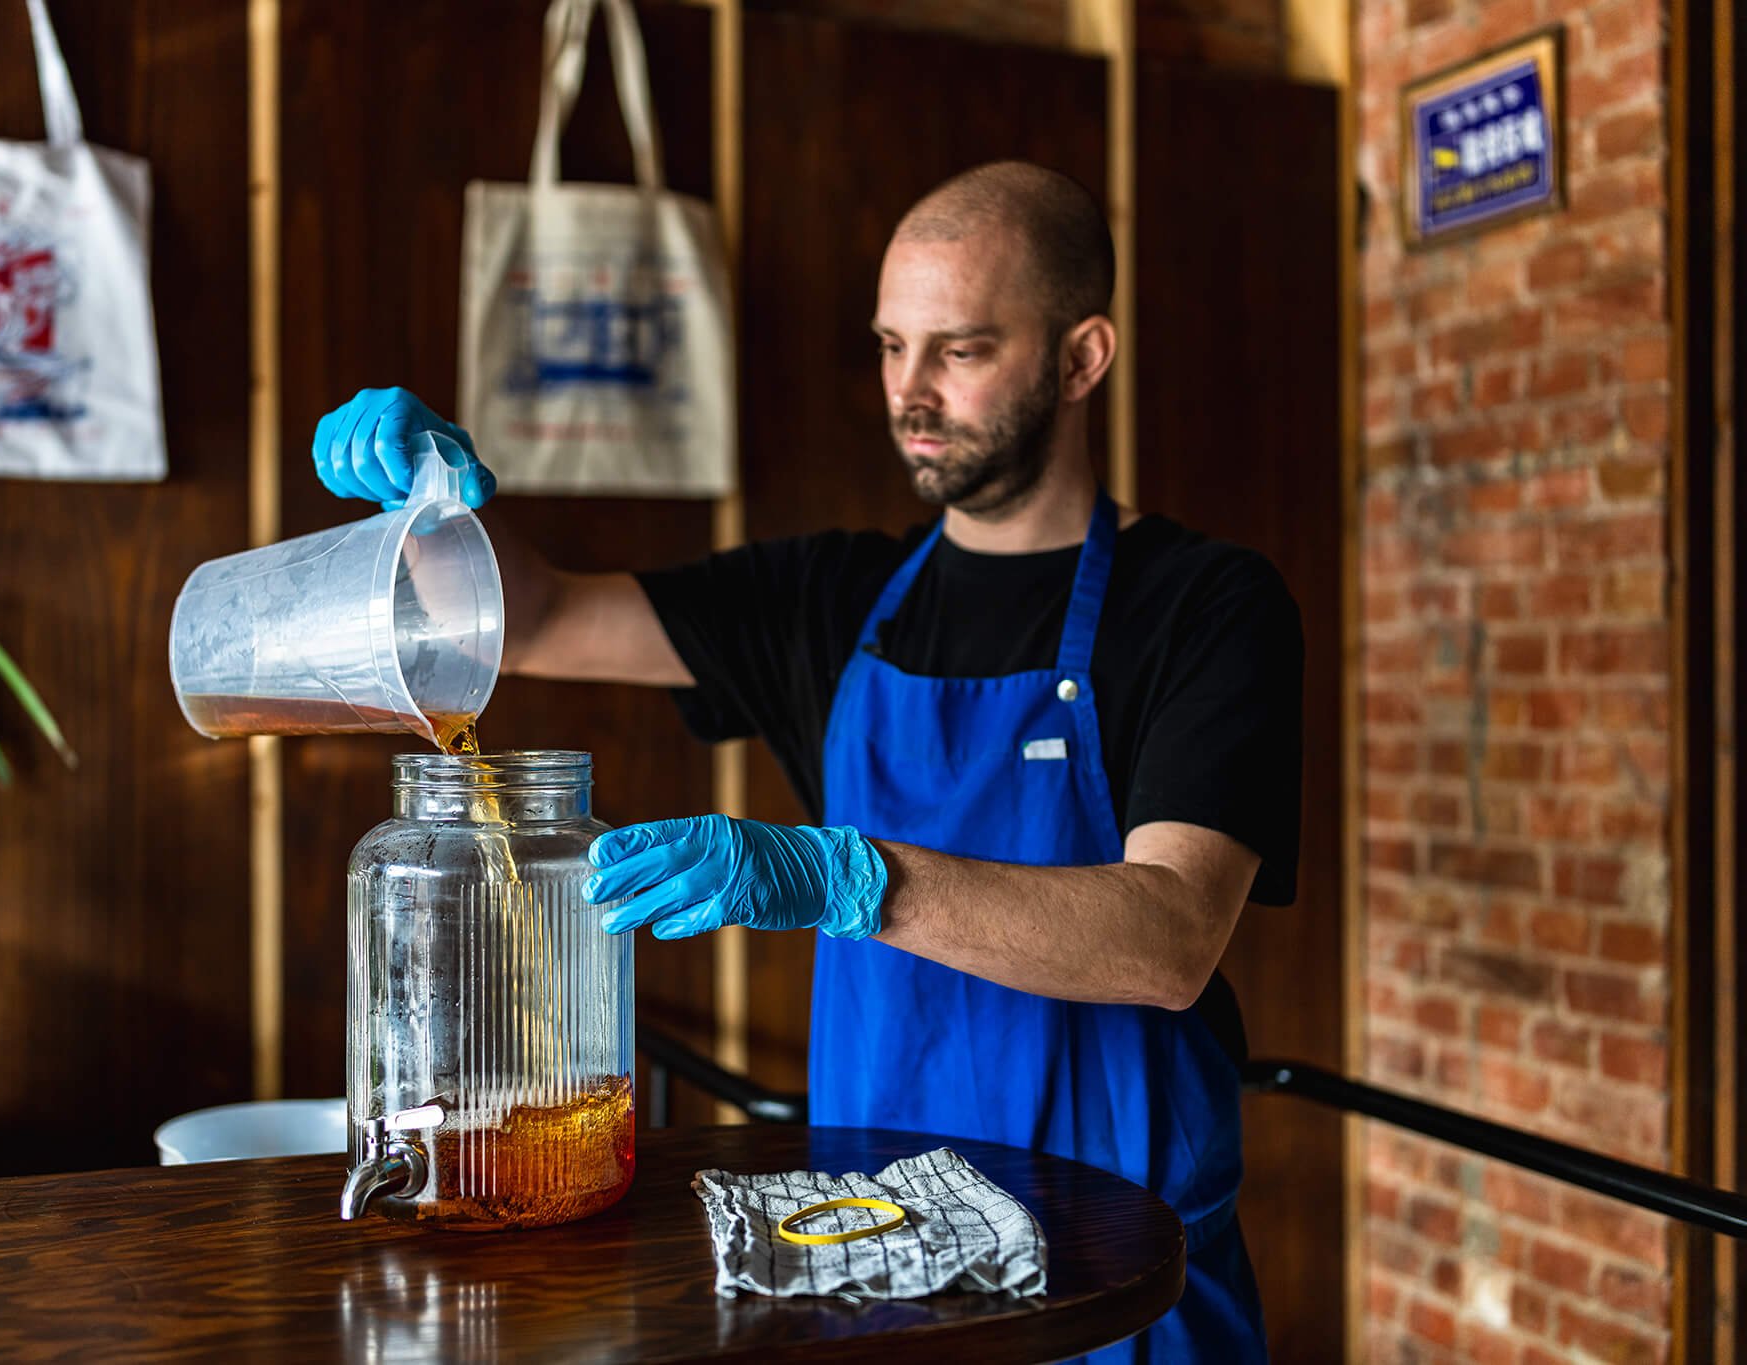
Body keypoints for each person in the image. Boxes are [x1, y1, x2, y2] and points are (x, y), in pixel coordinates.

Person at [312, 161, 1301, 1362]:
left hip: (1128, 1280)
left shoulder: (1207, 605)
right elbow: (546, 616)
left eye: (960, 350)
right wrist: (430, 503)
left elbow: (1166, 942)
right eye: (891, 345)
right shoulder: (826, 600)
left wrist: (847, 880)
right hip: (883, 1263)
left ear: (1082, 357)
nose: (909, 391)